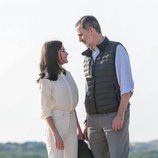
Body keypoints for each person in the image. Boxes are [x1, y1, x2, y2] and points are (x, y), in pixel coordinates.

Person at [75, 15, 134, 158]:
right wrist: (87, 121)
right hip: (93, 120)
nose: (79, 39)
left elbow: (127, 87)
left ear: (90, 30)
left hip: (113, 116)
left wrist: (120, 115)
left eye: (80, 34)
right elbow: (89, 92)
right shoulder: (87, 58)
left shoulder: (116, 49)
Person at [37, 40, 83, 158]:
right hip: (56, 123)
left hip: (71, 121)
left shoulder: (68, 75)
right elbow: (45, 110)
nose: (67, 53)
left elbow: (72, 106)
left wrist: (79, 130)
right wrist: (55, 134)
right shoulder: (46, 79)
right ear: (54, 54)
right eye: (63, 51)